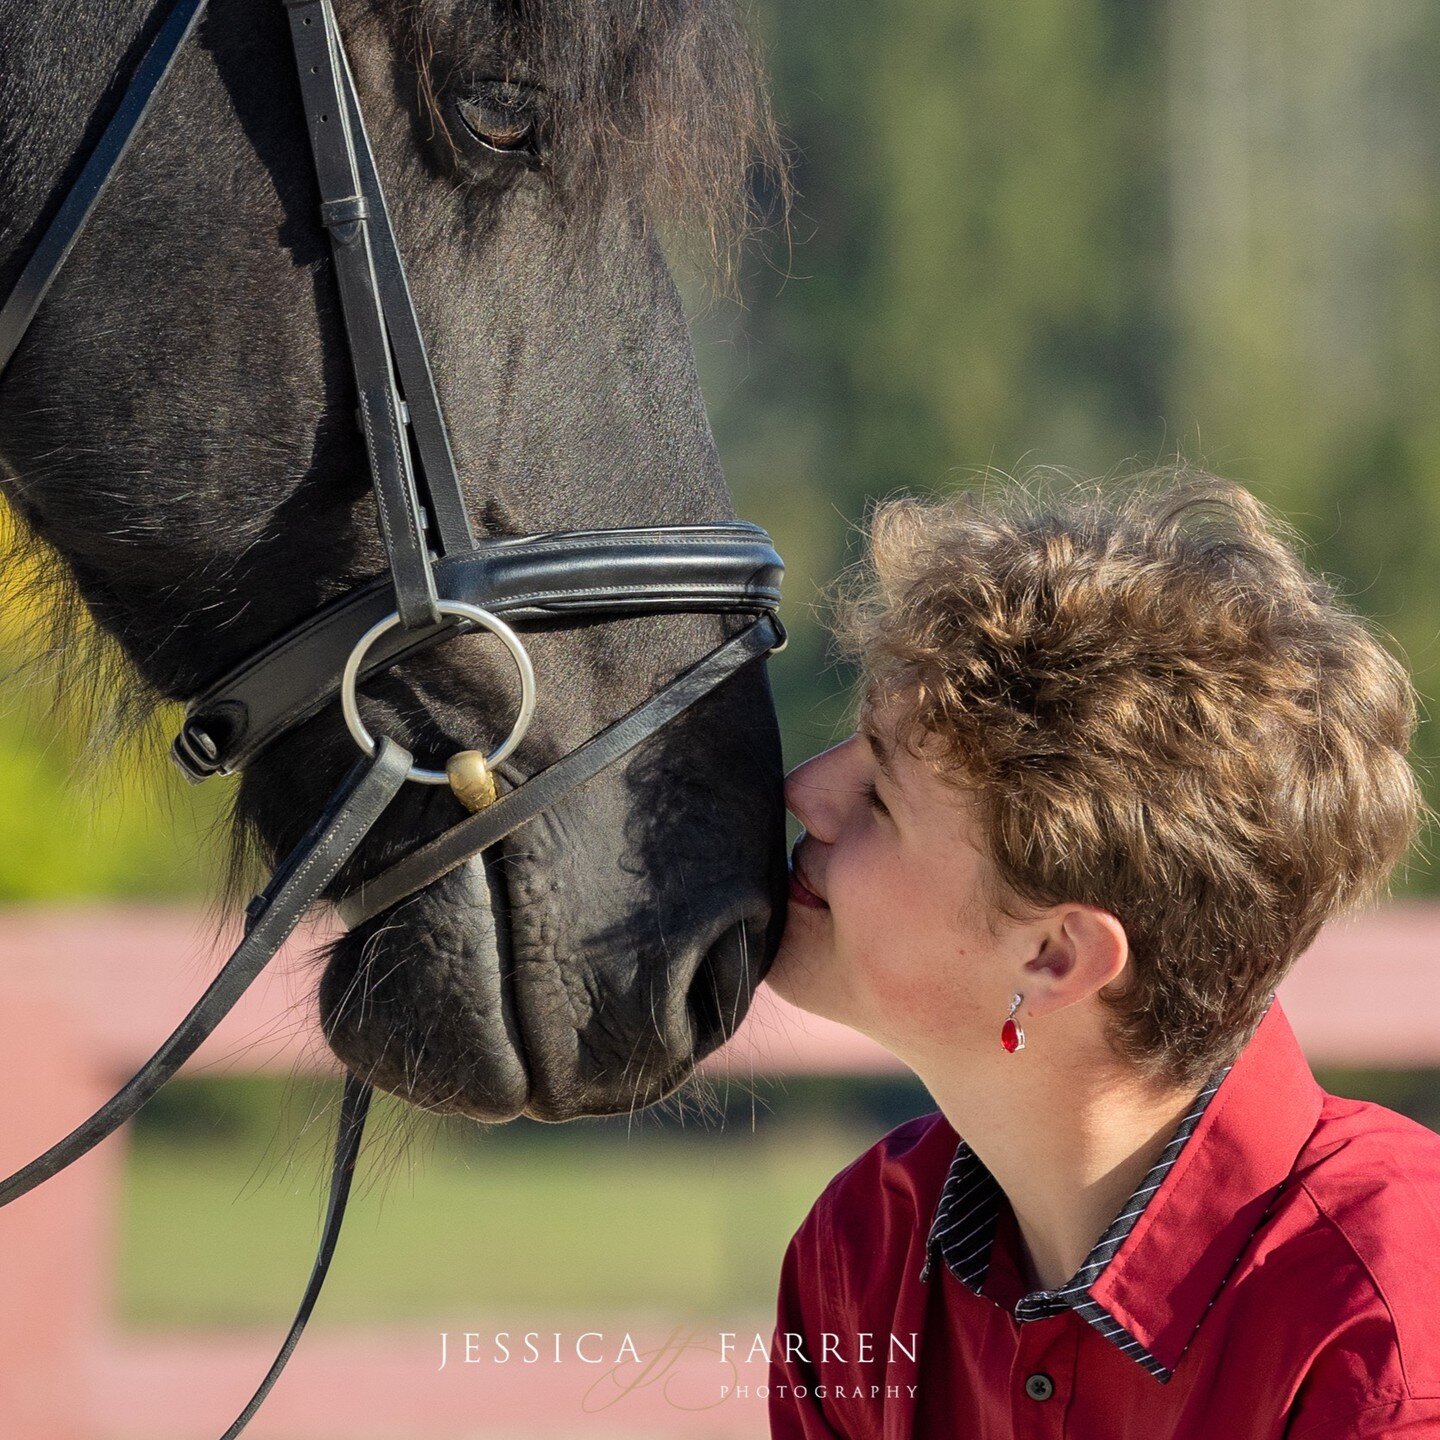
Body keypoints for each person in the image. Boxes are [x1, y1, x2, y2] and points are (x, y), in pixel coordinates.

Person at [765, 471, 1440, 1439]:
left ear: (1056, 957)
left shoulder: (1393, 1315)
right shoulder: (861, 1248)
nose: (805, 792)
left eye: (880, 797)